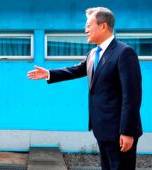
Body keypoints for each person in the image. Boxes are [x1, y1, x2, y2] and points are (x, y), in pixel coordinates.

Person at [28, 7, 142, 170]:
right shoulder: (93, 53)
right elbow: (77, 70)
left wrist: (127, 131)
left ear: (103, 26)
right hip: (102, 127)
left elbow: (132, 96)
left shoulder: (124, 52)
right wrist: (49, 73)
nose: (85, 30)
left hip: (119, 131)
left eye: (89, 25)